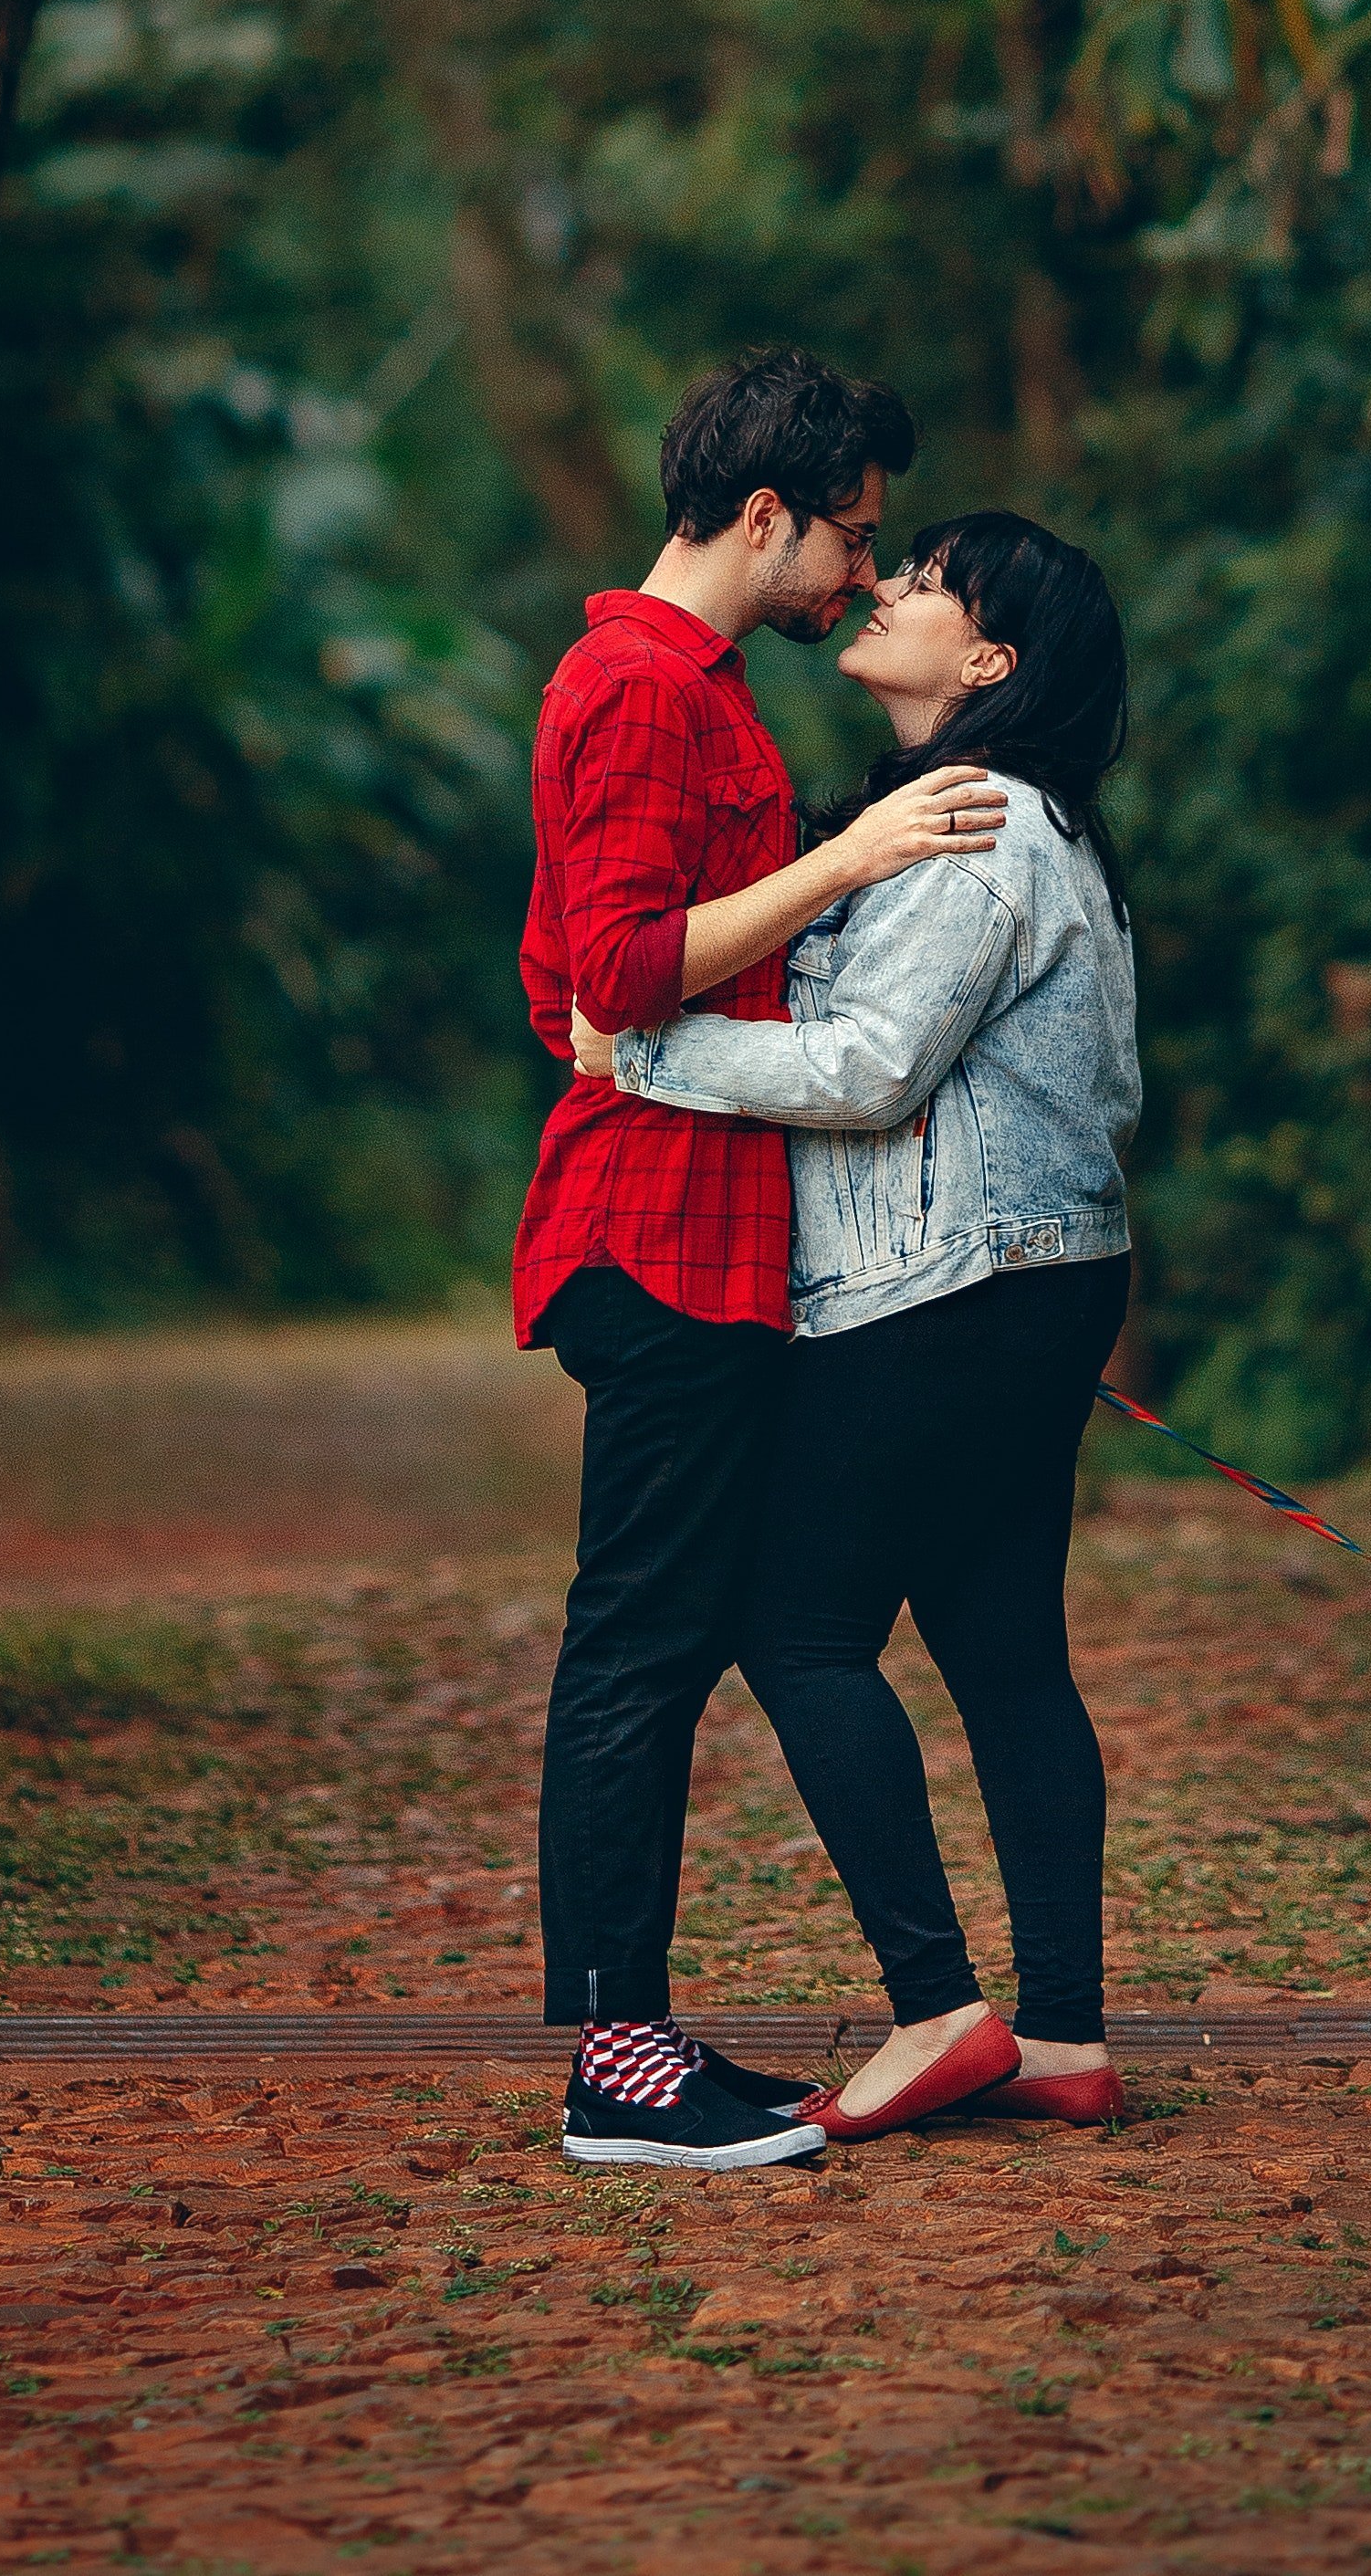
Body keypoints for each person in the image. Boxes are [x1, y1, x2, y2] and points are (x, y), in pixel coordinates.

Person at [574, 508, 1138, 2141]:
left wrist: (637, 1056)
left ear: (988, 663)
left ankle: (939, 2010)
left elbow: (865, 1069)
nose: (880, 587)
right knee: (999, 1644)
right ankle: (1064, 2039)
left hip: (940, 1293)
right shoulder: (1012, 824)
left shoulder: (974, 822)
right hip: (1022, 1281)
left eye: (923, 577)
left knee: (793, 1627)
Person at [516, 347, 1015, 2173]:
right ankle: (613, 2061)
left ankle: (638, 2036)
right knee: (639, 1642)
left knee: (673, 1629)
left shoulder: (673, 683)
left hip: (700, 1235)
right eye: (850, 539)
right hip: (655, 1233)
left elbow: (557, 971)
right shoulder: (644, 690)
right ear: (762, 514)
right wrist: (856, 850)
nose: (858, 577)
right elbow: (621, 974)